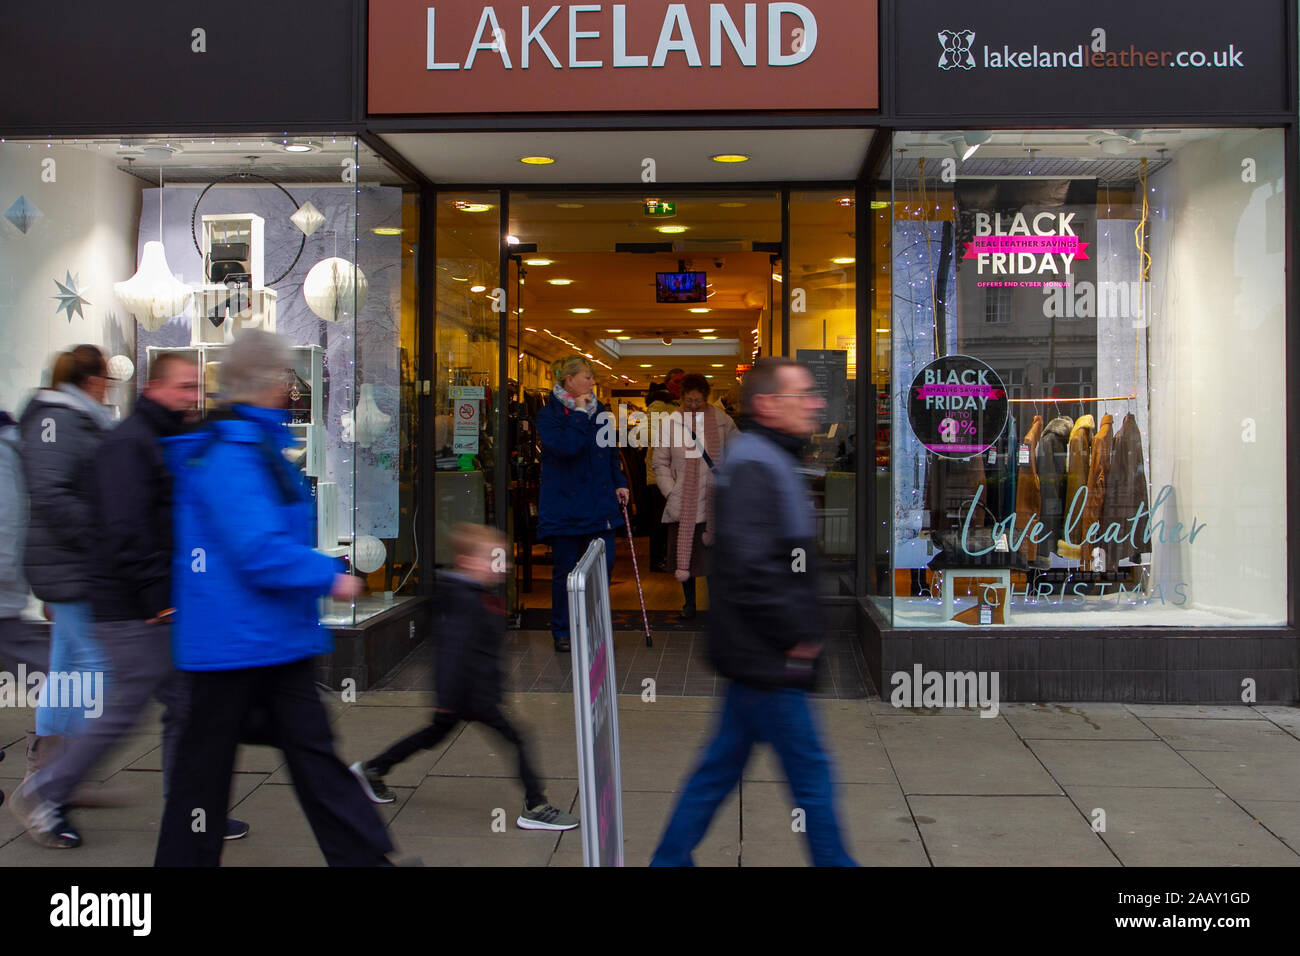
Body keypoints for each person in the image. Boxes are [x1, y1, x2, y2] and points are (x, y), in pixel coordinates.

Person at [154, 330, 392, 867]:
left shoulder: (254, 444)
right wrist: (329, 575)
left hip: (265, 640)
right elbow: (258, 549)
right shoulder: (234, 454)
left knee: (300, 763)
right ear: (260, 384)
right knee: (210, 776)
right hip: (236, 646)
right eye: (283, 378)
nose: (290, 389)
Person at [9, 354, 249, 847]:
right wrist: (158, 601)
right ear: (154, 386)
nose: (192, 397)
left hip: (144, 600)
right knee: (123, 708)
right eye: (185, 387)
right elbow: (123, 530)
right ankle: (46, 789)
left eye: (196, 388)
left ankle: (189, 810)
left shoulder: (155, 436)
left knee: (177, 705)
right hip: (129, 605)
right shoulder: (127, 443)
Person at [651, 357, 857, 867]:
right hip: (771, 659)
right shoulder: (756, 466)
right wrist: (797, 637)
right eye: (801, 395)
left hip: (754, 657)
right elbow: (749, 569)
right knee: (812, 780)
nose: (813, 403)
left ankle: (669, 860)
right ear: (767, 405)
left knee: (718, 771)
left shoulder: (768, 460)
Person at [351, 523, 579, 831]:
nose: (504, 565)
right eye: (494, 558)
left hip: (470, 693)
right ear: (469, 562)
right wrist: (448, 699)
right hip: (469, 694)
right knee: (515, 738)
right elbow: (451, 654)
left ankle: (373, 769)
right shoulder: (466, 602)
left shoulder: (476, 595)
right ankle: (535, 805)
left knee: (432, 736)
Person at [15, 346, 114, 837]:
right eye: (106, 378)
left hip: (70, 562)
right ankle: (53, 777)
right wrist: (103, 537)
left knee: (70, 665)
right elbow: (53, 494)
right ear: (92, 380)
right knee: (92, 666)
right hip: (73, 564)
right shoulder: (57, 420)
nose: (110, 388)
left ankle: (54, 772)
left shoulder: (72, 418)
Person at [535, 356, 629, 653]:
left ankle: (592, 625)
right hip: (565, 508)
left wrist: (620, 481)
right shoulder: (548, 414)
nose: (592, 382)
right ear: (569, 380)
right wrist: (578, 413)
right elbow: (566, 448)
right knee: (565, 571)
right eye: (587, 377)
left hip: (600, 506)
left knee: (604, 567)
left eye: (592, 377)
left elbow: (609, 451)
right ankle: (563, 629)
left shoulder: (600, 411)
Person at [652, 373, 737, 619]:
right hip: (683, 500)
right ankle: (688, 604)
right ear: (681, 397)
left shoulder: (722, 420)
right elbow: (660, 462)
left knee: (713, 562)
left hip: (713, 499)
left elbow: (737, 451)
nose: (693, 405)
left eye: (698, 400)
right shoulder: (671, 422)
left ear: (706, 398)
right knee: (685, 558)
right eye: (689, 400)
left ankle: (716, 606)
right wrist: (671, 490)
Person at [643, 369, 684, 573]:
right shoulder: (659, 405)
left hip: (672, 472)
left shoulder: (674, 405)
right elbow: (651, 434)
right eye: (677, 381)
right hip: (659, 474)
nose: (680, 385)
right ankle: (657, 559)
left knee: (669, 517)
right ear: (667, 383)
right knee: (660, 519)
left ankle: (665, 557)